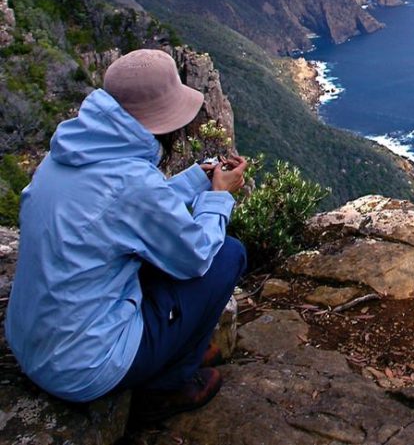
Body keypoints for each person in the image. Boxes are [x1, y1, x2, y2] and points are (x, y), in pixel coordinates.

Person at [4, 48, 248, 422]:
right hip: (83, 367)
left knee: (156, 261)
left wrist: (199, 178)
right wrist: (217, 196)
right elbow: (196, 254)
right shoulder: (131, 183)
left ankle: (170, 347)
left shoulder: (65, 156)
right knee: (227, 255)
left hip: (33, 346)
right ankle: (169, 384)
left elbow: (129, 209)